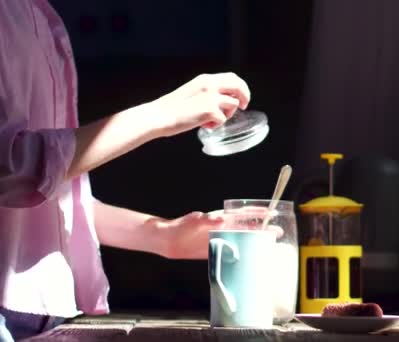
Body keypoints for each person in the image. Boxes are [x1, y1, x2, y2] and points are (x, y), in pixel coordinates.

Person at [0, 1, 254, 340]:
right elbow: (13, 168)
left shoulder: (35, 12)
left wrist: (163, 236)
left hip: (44, 319)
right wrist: (161, 115)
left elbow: (44, 196)